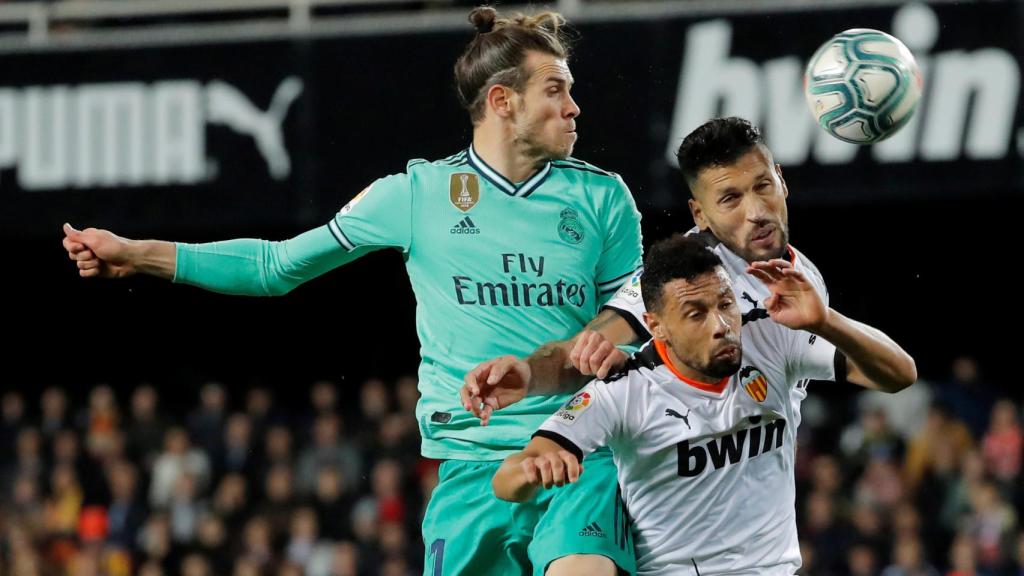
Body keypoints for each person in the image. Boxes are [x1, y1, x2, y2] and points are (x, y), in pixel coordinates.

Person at [61, 7, 643, 575]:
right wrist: (137, 255)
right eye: (555, 90)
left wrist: (602, 347)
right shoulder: (414, 194)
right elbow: (274, 266)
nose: (574, 107)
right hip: (468, 465)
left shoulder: (603, 198)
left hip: (577, 449)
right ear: (501, 101)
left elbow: (633, 317)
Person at [492, 234, 916, 575]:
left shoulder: (770, 342)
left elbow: (900, 374)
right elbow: (506, 480)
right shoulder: (623, 391)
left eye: (726, 304)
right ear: (657, 326)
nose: (720, 326)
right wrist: (534, 470)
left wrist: (826, 320)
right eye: (696, 314)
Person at [462, 117, 914, 425]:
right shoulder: (685, 276)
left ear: (782, 180)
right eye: (731, 199)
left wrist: (825, 320)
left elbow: (895, 376)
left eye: (763, 187)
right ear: (700, 213)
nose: (757, 212)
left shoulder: (804, 279)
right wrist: (528, 371)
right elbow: (583, 351)